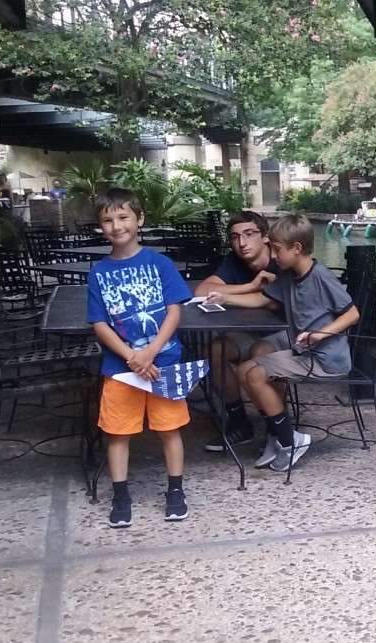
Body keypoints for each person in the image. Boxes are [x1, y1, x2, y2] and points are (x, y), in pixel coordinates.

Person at [205, 213, 359, 472]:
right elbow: (261, 299)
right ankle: (278, 435)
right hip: (305, 352)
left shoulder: (321, 277)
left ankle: (289, 440)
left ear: (296, 248)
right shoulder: (289, 275)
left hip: (325, 360)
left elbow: (352, 314)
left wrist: (320, 334)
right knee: (245, 369)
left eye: (277, 250)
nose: (273, 256)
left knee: (255, 375)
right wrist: (224, 298)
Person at [86, 187, 193, 528]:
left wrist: (150, 352)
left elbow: (174, 311)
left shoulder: (160, 264)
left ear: (139, 219)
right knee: (118, 433)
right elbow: (99, 323)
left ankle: (175, 490)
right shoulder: (98, 272)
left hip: (163, 363)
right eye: (108, 220)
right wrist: (132, 356)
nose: (117, 226)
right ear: (100, 226)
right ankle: (120, 495)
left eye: (123, 217)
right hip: (121, 368)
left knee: (169, 429)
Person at [194, 211, 280, 452]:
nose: (242, 243)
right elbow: (201, 291)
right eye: (235, 237)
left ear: (265, 237)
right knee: (213, 351)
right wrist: (250, 285)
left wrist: (228, 296)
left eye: (249, 234)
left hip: (290, 335)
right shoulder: (235, 261)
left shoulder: (281, 258)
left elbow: (271, 301)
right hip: (253, 333)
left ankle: (277, 427)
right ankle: (240, 424)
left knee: (261, 354)